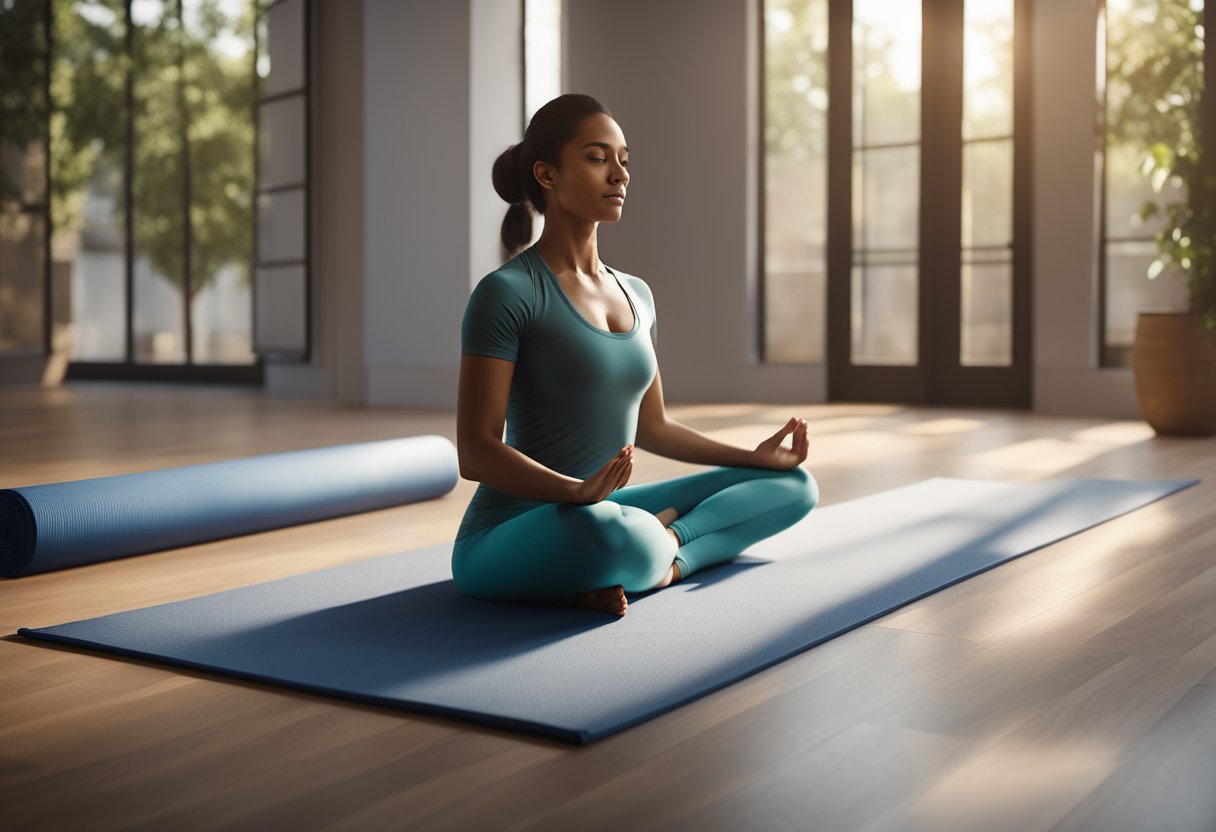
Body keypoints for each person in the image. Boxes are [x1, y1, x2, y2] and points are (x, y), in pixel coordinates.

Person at [453, 93, 818, 617]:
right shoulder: (507, 293)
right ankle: (653, 548)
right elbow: (475, 451)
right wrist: (575, 492)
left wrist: (752, 458)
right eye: (598, 157)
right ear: (547, 174)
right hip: (515, 528)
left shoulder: (637, 294)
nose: (619, 174)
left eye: (624, 160)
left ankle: (665, 556)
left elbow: (654, 427)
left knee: (793, 486)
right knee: (605, 530)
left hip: (603, 509)